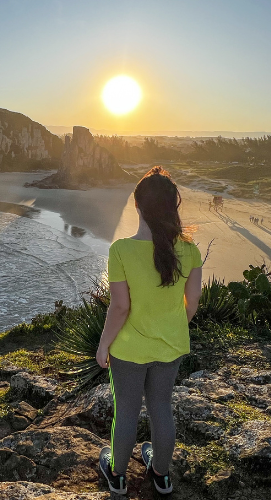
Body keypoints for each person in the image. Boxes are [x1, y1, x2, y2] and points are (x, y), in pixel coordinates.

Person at [97, 166, 203, 496]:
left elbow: (120, 308)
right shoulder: (190, 249)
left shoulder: (121, 250)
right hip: (170, 346)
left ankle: (116, 475)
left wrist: (103, 346)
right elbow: (193, 300)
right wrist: (172, 327)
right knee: (161, 409)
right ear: (174, 207)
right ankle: (160, 474)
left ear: (137, 206)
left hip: (128, 350)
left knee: (126, 411)